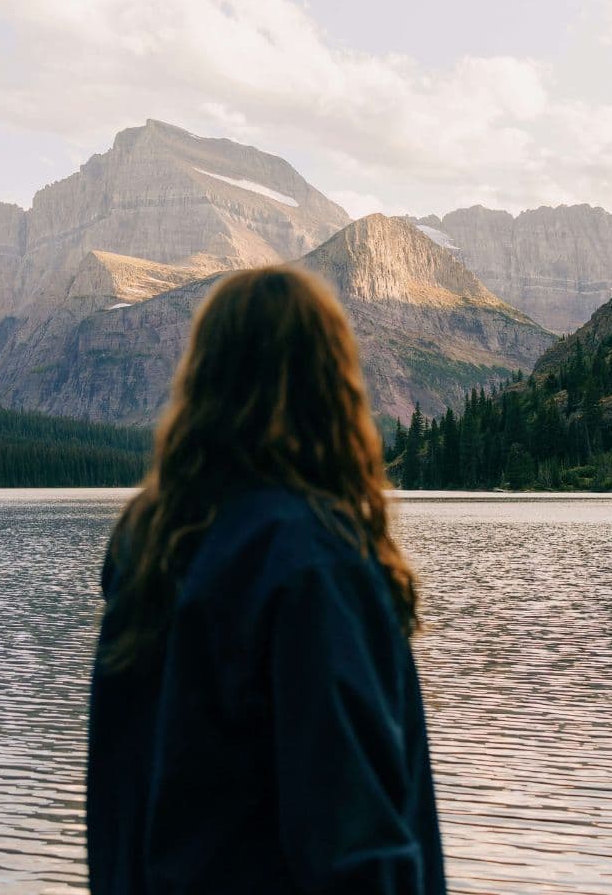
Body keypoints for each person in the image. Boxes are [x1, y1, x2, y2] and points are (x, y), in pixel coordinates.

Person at [86, 266, 447, 894]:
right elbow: (354, 839)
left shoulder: (149, 553)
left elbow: (117, 811)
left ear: (202, 383)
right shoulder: (315, 563)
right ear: (329, 385)